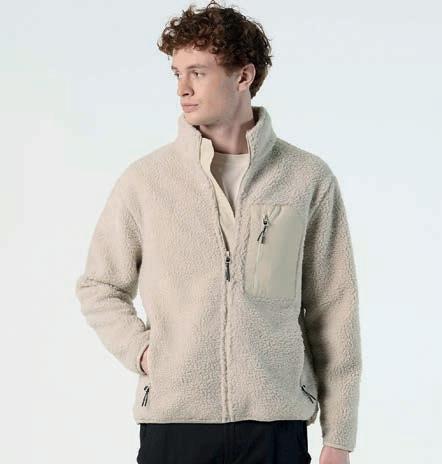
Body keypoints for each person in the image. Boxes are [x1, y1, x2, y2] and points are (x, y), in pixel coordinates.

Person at [75, 1, 362, 463]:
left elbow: (334, 309)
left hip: (275, 428)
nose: (183, 89)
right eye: (177, 74)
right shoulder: (147, 182)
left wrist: (339, 436)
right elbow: (99, 286)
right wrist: (145, 352)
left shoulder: (305, 179)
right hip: (174, 427)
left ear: (243, 76)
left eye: (198, 72)